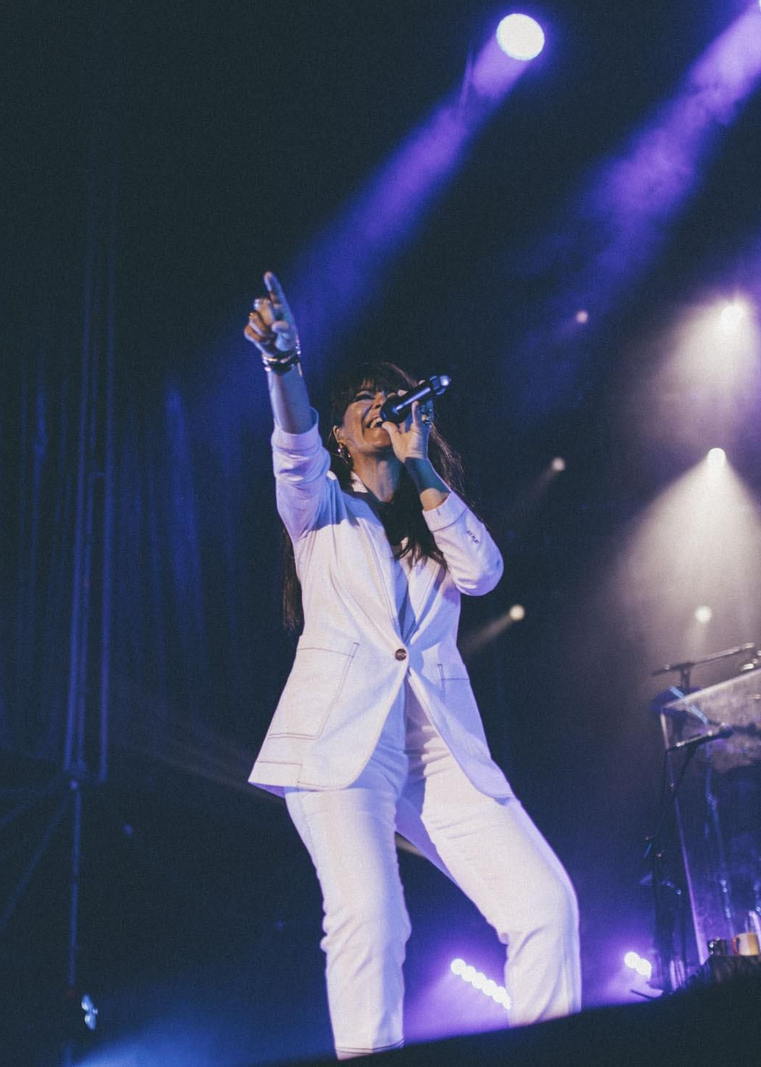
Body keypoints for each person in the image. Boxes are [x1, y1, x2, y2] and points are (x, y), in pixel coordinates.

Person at [242, 273, 579, 1058]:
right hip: (341, 745)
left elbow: (484, 572)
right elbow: (291, 442)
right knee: (371, 915)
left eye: (387, 397)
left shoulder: (432, 528)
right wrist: (283, 362)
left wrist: (420, 464)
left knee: (545, 906)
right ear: (337, 432)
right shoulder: (319, 508)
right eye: (359, 399)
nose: (376, 405)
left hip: (437, 753)